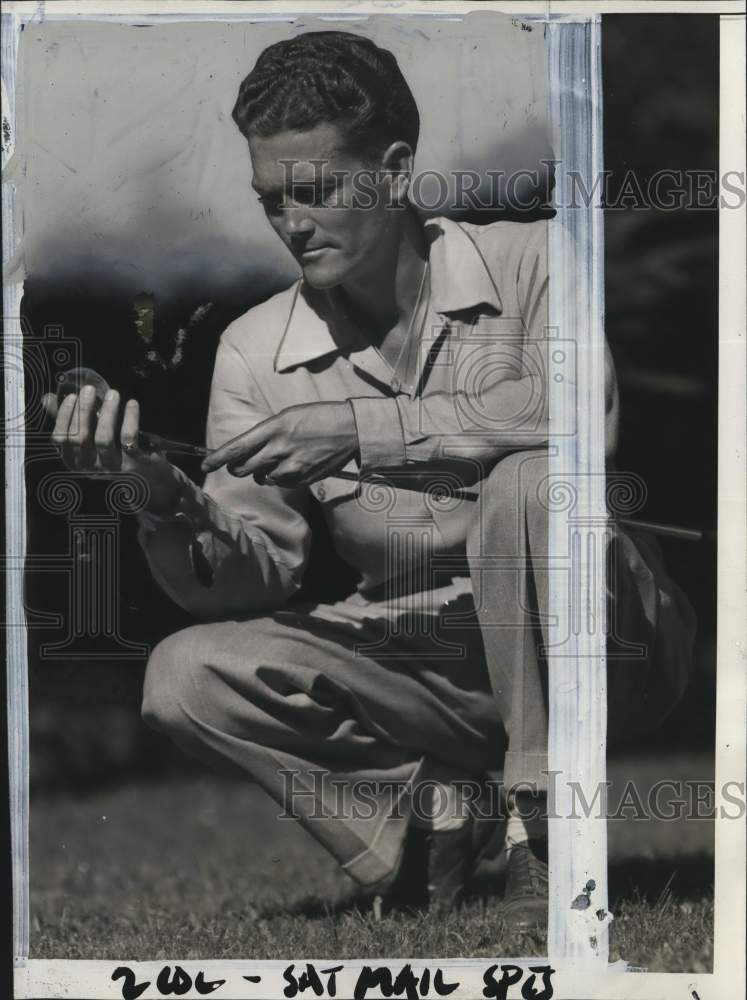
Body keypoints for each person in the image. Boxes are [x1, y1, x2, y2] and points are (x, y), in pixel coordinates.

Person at [44, 30, 696, 926]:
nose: (290, 223)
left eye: (313, 192)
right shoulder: (252, 350)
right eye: (270, 200)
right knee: (185, 674)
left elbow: (587, 424)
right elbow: (251, 573)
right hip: (428, 665)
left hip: (609, 649)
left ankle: (545, 828)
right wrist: (158, 497)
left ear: (393, 173)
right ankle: (431, 821)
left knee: (530, 486)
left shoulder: (536, 260)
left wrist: (361, 427)